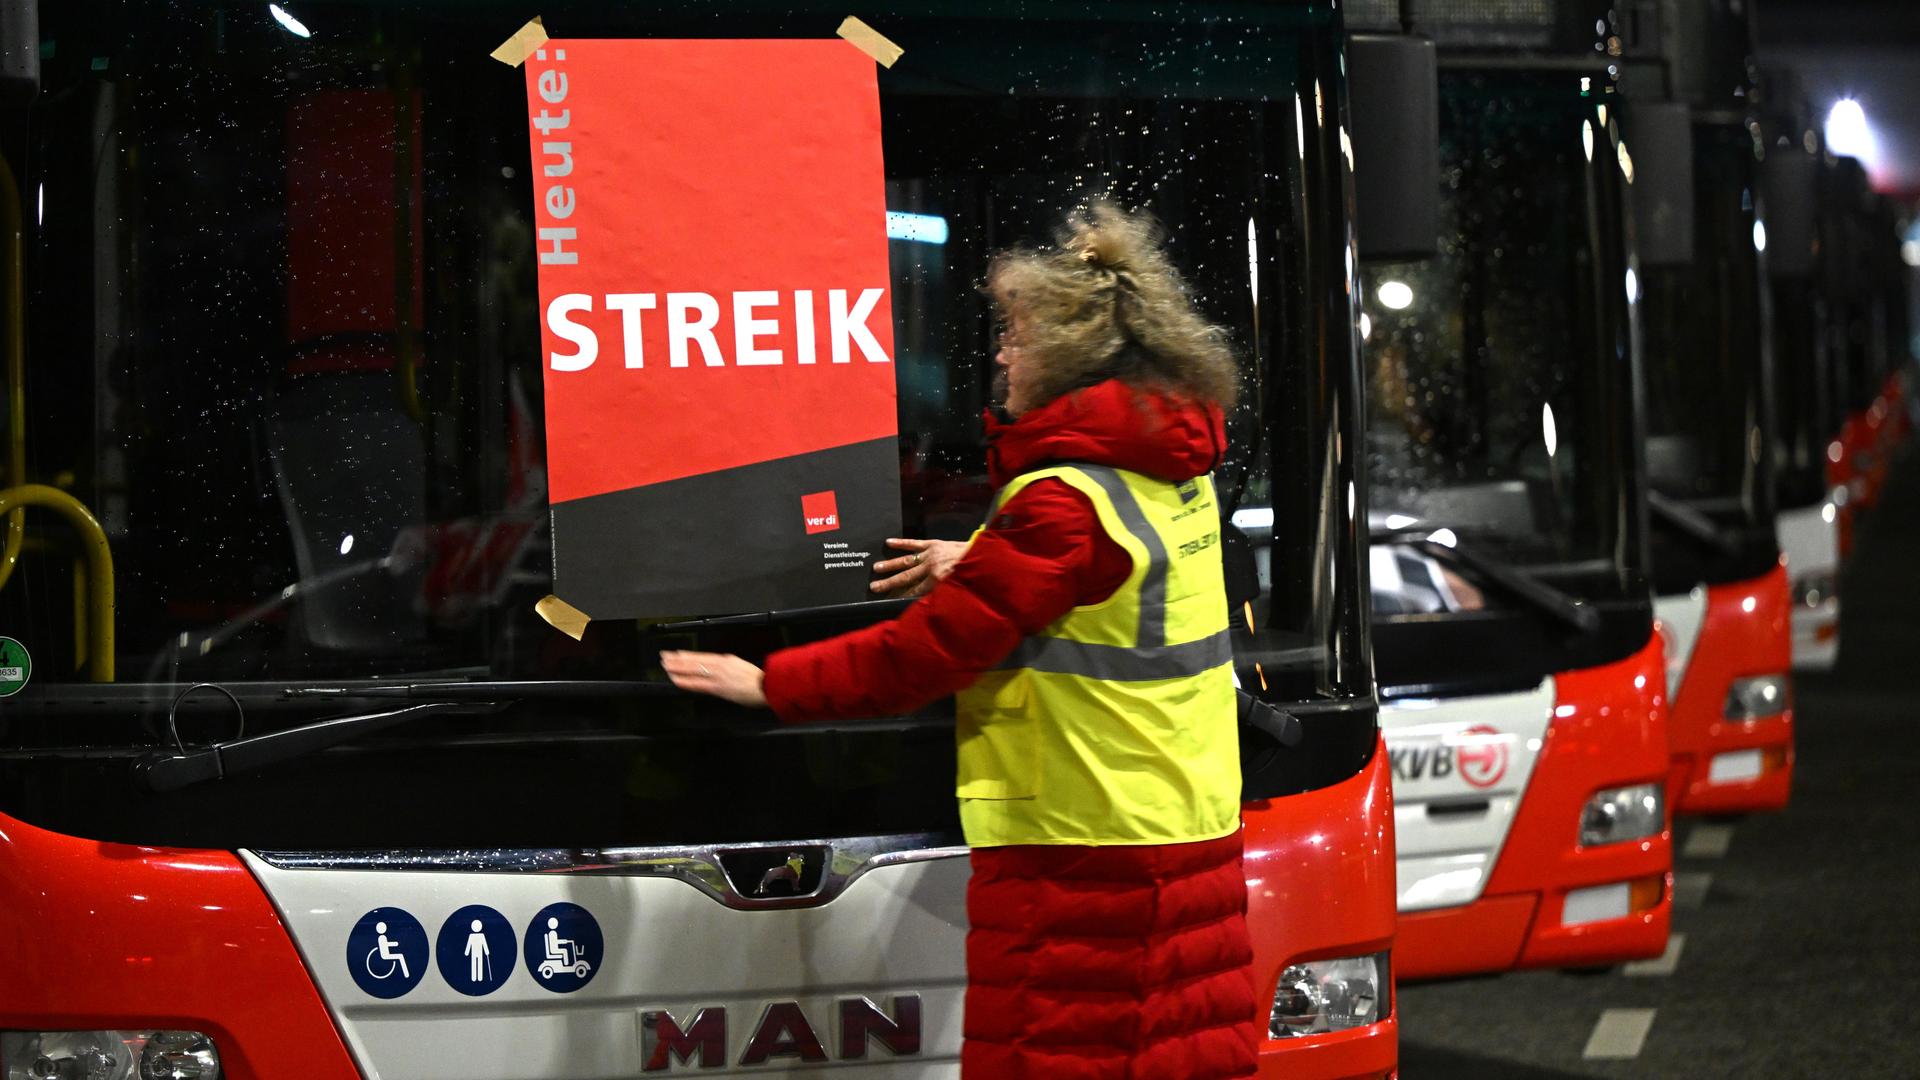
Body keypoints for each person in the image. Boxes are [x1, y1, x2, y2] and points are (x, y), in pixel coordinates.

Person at [662, 203, 1257, 1079]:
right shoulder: (1173, 475)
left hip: (1083, 851)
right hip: (1182, 824)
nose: (1003, 356)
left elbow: (920, 658)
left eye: (1015, 336)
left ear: (1069, 354)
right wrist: (984, 552)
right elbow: (1116, 582)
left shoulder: (1062, 503)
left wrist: (771, 684)